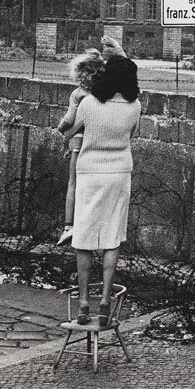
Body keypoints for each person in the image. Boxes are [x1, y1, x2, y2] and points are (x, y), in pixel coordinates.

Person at [63, 55, 141, 325]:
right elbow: (131, 136)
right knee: (112, 235)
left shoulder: (88, 103)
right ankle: (106, 301)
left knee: (84, 235)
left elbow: (68, 131)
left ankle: (84, 302)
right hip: (120, 172)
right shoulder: (135, 106)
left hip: (90, 171)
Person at [56, 36, 126, 247]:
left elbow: (69, 120)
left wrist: (60, 130)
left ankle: (69, 226)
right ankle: (97, 224)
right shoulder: (106, 92)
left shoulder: (78, 94)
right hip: (100, 142)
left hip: (78, 142)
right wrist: (120, 52)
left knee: (74, 184)